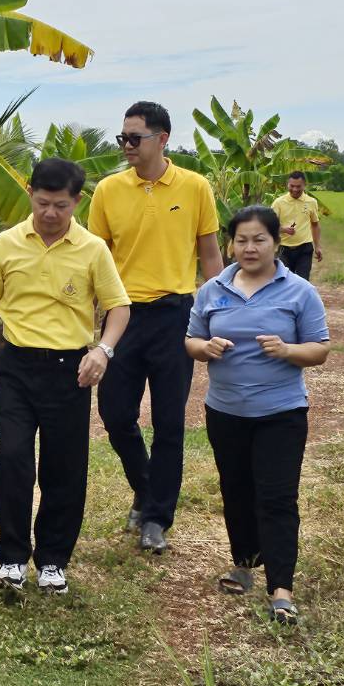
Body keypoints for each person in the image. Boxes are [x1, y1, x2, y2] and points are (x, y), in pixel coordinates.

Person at [0, 158, 131, 595]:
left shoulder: (93, 248)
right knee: (14, 458)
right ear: (30, 195)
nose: (50, 213)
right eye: (42, 203)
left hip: (69, 372)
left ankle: (54, 559)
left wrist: (104, 350)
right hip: (16, 366)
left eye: (60, 205)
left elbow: (119, 307)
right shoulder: (6, 243)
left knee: (64, 467)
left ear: (77, 201)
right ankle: (13, 558)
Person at [90, 101, 223, 555]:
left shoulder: (194, 186)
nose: (126, 146)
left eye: (134, 138)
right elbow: (96, 259)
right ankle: (146, 488)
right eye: (122, 138)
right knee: (115, 414)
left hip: (175, 316)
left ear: (162, 139)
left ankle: (157, 517)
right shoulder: (108, 190)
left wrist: (219, 307)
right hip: (122, 317)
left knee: (169, 422)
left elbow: (209, 254)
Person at [186, 204, 330, 624]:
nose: (249, 248)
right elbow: (192, 341)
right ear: (230, 244)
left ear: (276, 243)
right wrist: (205, 348)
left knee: (277, 496)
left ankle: (281, 588)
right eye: (241, 240)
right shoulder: (212, 289)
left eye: (259, 239)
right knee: (236, 489)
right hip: (225, 411)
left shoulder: (299, 292)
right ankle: (244, 563)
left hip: (281, 412)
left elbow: (319, 349)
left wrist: (287, 350)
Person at [271, 171, 322, 280]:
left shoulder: (311, 202)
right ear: (287, 185)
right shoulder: (278, 203)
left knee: (302, 281)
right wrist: (284, 229)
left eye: (298, 186)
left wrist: (317, 246)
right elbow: (270, 226)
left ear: (304, 185)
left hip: (304, 248)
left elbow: (315, 224)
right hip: (283, 249)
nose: (295, 189)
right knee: (283, 281)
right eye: (292, 186)